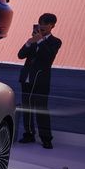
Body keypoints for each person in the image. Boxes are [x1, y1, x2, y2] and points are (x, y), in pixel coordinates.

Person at [18, 13, 62, 149]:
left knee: (42, 110)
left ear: (52, 25)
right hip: (27, 79)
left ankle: (46, 138)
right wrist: (28, 43)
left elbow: (48, 57)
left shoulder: (55, 41)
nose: (42, 26)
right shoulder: (33, 40)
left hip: (41, 81)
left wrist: (40, 41)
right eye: (40, 23)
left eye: (45, 24)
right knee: (27, 108)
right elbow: (20, 55)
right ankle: (29, 134)